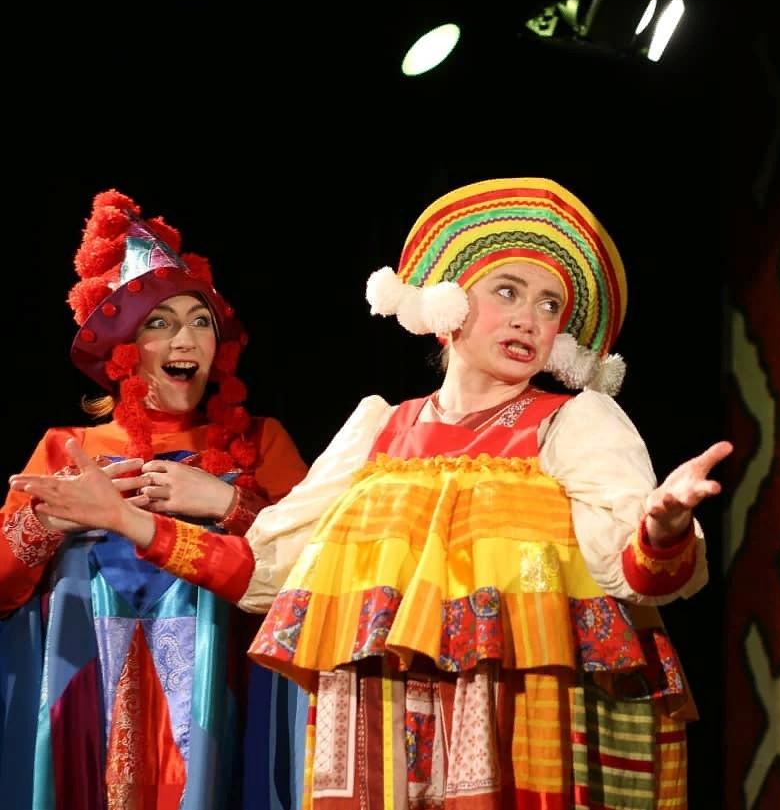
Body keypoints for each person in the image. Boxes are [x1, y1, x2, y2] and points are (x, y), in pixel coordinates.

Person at [17, 177, 731, 808]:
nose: (528, 318)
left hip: (517, 727)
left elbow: (631, 571)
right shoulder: (378, 430)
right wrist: (128, 521)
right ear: (449, 305)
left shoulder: (573, 423)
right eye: (507, 292)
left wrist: (662, 528)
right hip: (381, 731)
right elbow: (273, 571)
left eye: (550, 307)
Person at [1, 190, 309, 810]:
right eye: (160, 324)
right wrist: (47, 522)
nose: (185, 338)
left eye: (200, 321)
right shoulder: (69, 448)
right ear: (125, 350)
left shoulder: (261, 443)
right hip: (83, 706)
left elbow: (315, 568)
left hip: (228, 702)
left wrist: (226, 503)